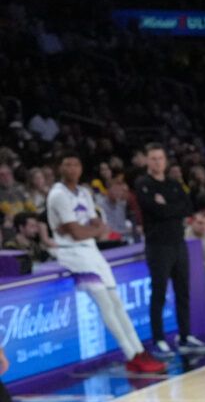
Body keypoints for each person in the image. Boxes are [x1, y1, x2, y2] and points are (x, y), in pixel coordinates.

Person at [47, 154, 166, 375]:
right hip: (72, 254)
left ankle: (139, 351)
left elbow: (97, 225)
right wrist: (88, 231)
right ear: (60, 168)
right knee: (105, 304)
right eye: (67, 164)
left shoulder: (84, 192)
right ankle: (130, 354)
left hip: (92, 251)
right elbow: (77, 232)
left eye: (76, 163)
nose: (72, 168)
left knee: (117, 303)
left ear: (81, 168)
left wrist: (87, 231)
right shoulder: (57, 194)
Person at [134, 144, 204, 352]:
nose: (157, 162)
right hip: (158, 246)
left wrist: (167, 207)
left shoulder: (173, 184)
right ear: (147, 161)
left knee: (183, 291)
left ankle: (185, 335)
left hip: (178, 243)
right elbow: (154, 210)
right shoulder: (143, 183)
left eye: (160, 158)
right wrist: (170, 209)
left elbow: (188, 207)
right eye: (153, 158)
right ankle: (159, 339)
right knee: (159, 292)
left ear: (165, 161)